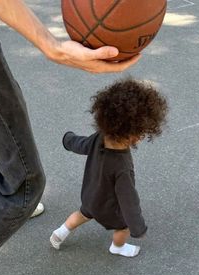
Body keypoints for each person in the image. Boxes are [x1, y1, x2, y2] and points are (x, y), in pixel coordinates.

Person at [0, 1, 141, 275]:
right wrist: (51, 45)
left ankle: (0, 199)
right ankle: (9, 203)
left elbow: (77, 143)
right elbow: (128, 198)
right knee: (25, 187)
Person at [50, 78, 168, 257]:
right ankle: (118, 247)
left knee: (80, 215)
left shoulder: (99, 137)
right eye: (141, 132)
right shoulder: (122, 167)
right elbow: (129, 200)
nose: (142, 136)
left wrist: (68, 140)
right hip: (108, 208)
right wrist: (137, 227)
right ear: (132, 134)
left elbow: (80, 144)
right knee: (123, 227)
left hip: (90, 196)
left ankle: (60, 233)